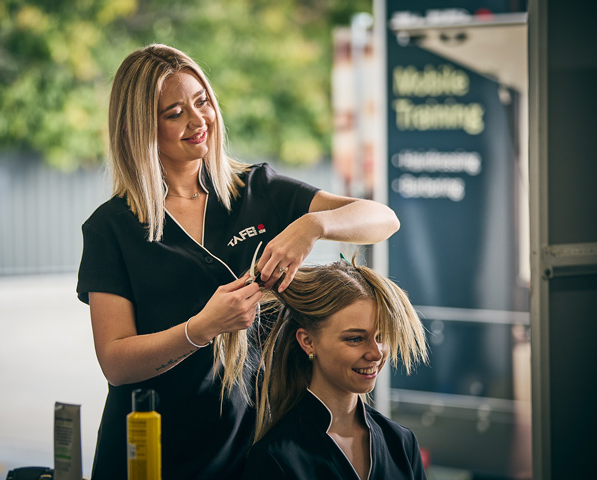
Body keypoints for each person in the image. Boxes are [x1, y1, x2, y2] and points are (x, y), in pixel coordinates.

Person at [76, 44, 400, 480]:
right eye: (174, 113)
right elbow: (116, 362)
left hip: (247, 450)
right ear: (141, 128)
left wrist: (312, 226)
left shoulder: (255, 191)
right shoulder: (111, 228)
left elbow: (383, 218)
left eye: (202, 101)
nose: (198, 121)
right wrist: (201, 329)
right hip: (151, 449)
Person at [243, 259, 429, 480]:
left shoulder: (401, 443)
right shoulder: (276, 458)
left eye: (381, 337)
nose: (376, 353)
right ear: (308, 341)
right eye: (355, 339)